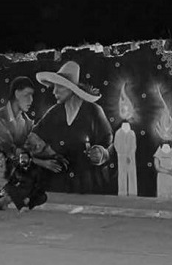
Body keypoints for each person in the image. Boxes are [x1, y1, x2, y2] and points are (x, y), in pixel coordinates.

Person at [28, 61, 114, 194]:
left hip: (87, 185)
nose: (54, 91)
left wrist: (101, 153)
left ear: (72, 89)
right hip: (58, 184)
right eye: (54, 86)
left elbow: (110, 146)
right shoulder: (54, 113)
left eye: (60, 87)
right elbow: (33, 139)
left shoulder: (94, 111)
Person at [0, 76, 36, 160]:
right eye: (27, 95)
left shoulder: (27, 123)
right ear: (17, 94)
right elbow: (9, 148)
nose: (31, 100)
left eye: (31, 95)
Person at [0, 150, 48, 217]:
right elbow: (12, 181)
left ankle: (27, 206)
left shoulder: (37, 169)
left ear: (30, 160)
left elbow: (39, 186)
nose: (23, 160)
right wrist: (4, 189)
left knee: (43, 197)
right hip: (21, 191)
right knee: (8, 187)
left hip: (32, 192)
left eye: (25, 158)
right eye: (21, 158)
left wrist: (29, 197)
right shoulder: (18, 168)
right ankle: (21, 206)